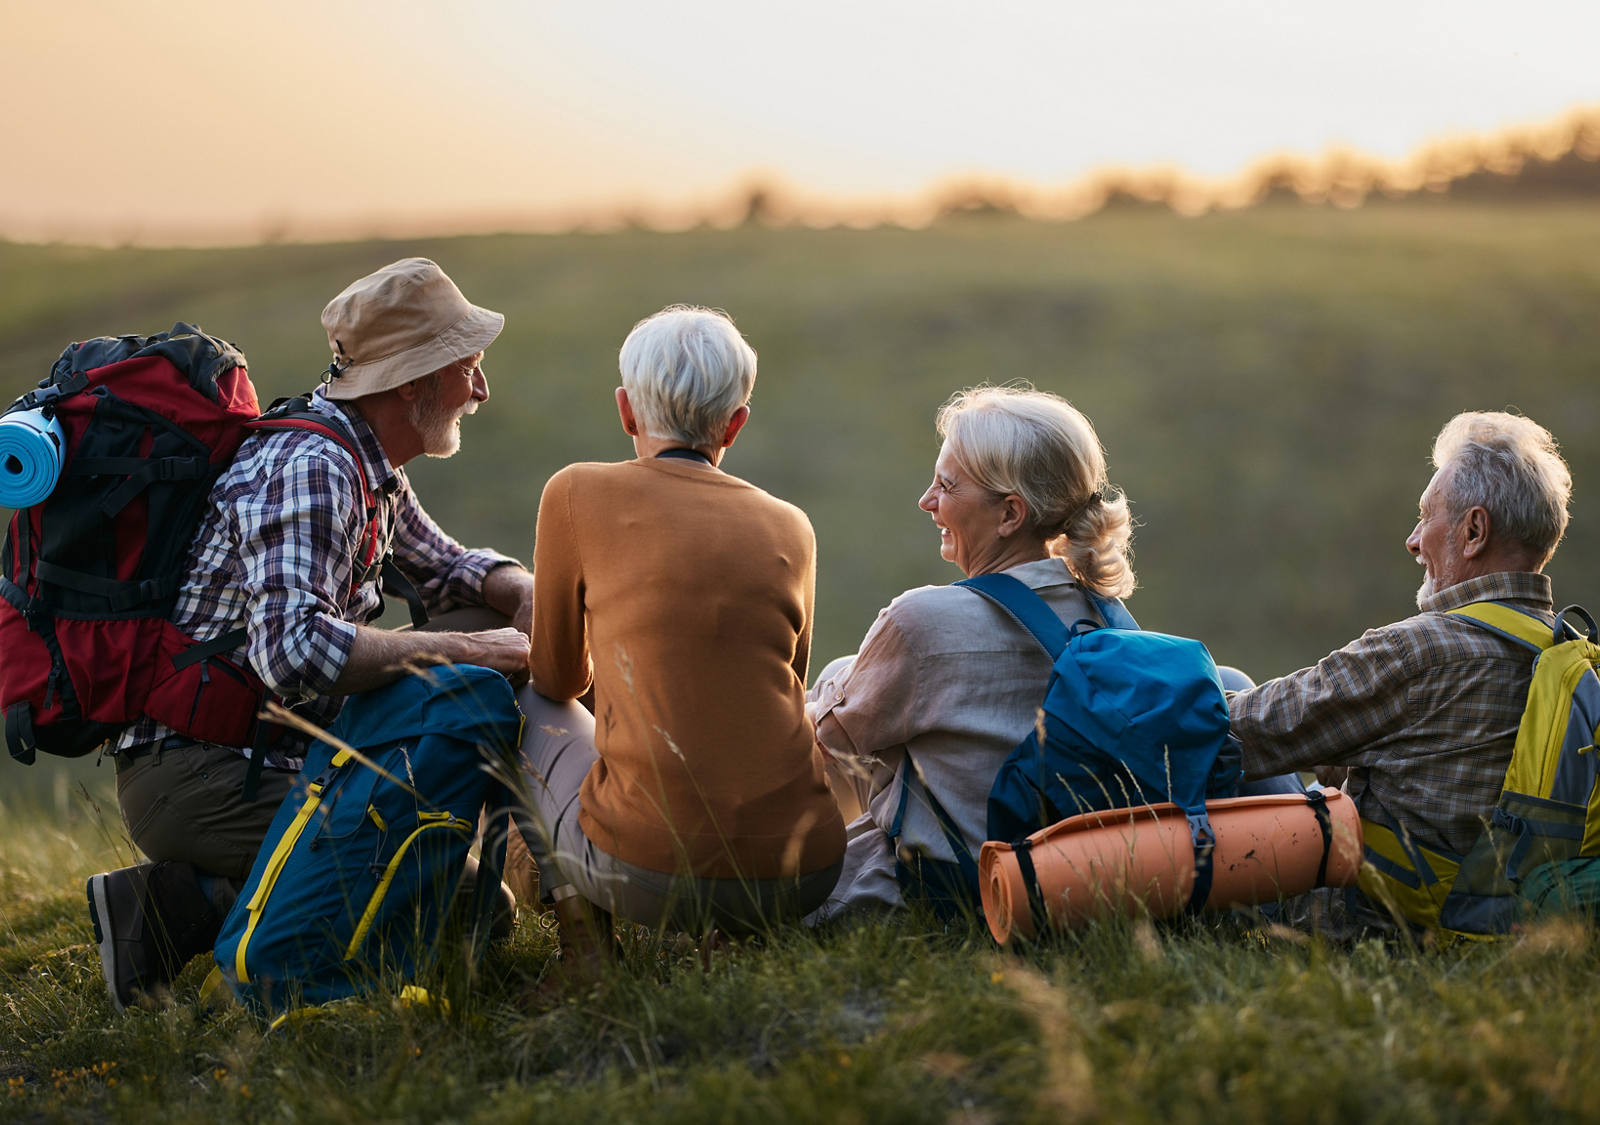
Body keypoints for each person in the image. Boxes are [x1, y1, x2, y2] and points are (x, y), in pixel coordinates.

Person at [87, 258, 536, 1011]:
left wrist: (519, 591)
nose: (481, 390)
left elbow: (448, 568)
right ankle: (182, 907)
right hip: (203, 774)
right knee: (467, 908)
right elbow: (294, 650)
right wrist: (473, 651)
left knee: (482, 620)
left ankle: (211, 894)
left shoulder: (369, 460)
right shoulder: (316, 467)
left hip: (263, 749)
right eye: (468, 367)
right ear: (411, 383)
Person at [515, 304, 845, 971]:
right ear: (735, 422)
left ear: (625, 411)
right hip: (802, 870)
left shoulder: (574, 492)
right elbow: (788, 690)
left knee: (521, 704)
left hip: (640, 869)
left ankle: (583, 940)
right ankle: (737, 934)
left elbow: (557, 681)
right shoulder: (793, 526)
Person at [1228, 410, 1572, 937]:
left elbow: (1242, 729)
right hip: (1506, 920)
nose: (1413, 541)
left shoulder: (1421, 650)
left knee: (1222, 689)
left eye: (1424, 517)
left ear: (1474, 531)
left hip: (1372, 923)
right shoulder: (1569, 656)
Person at [807, 385, 1141, 920]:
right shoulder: (1108, 620)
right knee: (847, 672)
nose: (927, 501)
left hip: (940, 896)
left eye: (946, 485)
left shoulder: (922, 623)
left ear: (1010, 515)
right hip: (1068, 889)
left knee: (833, 686)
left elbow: (821, 740)